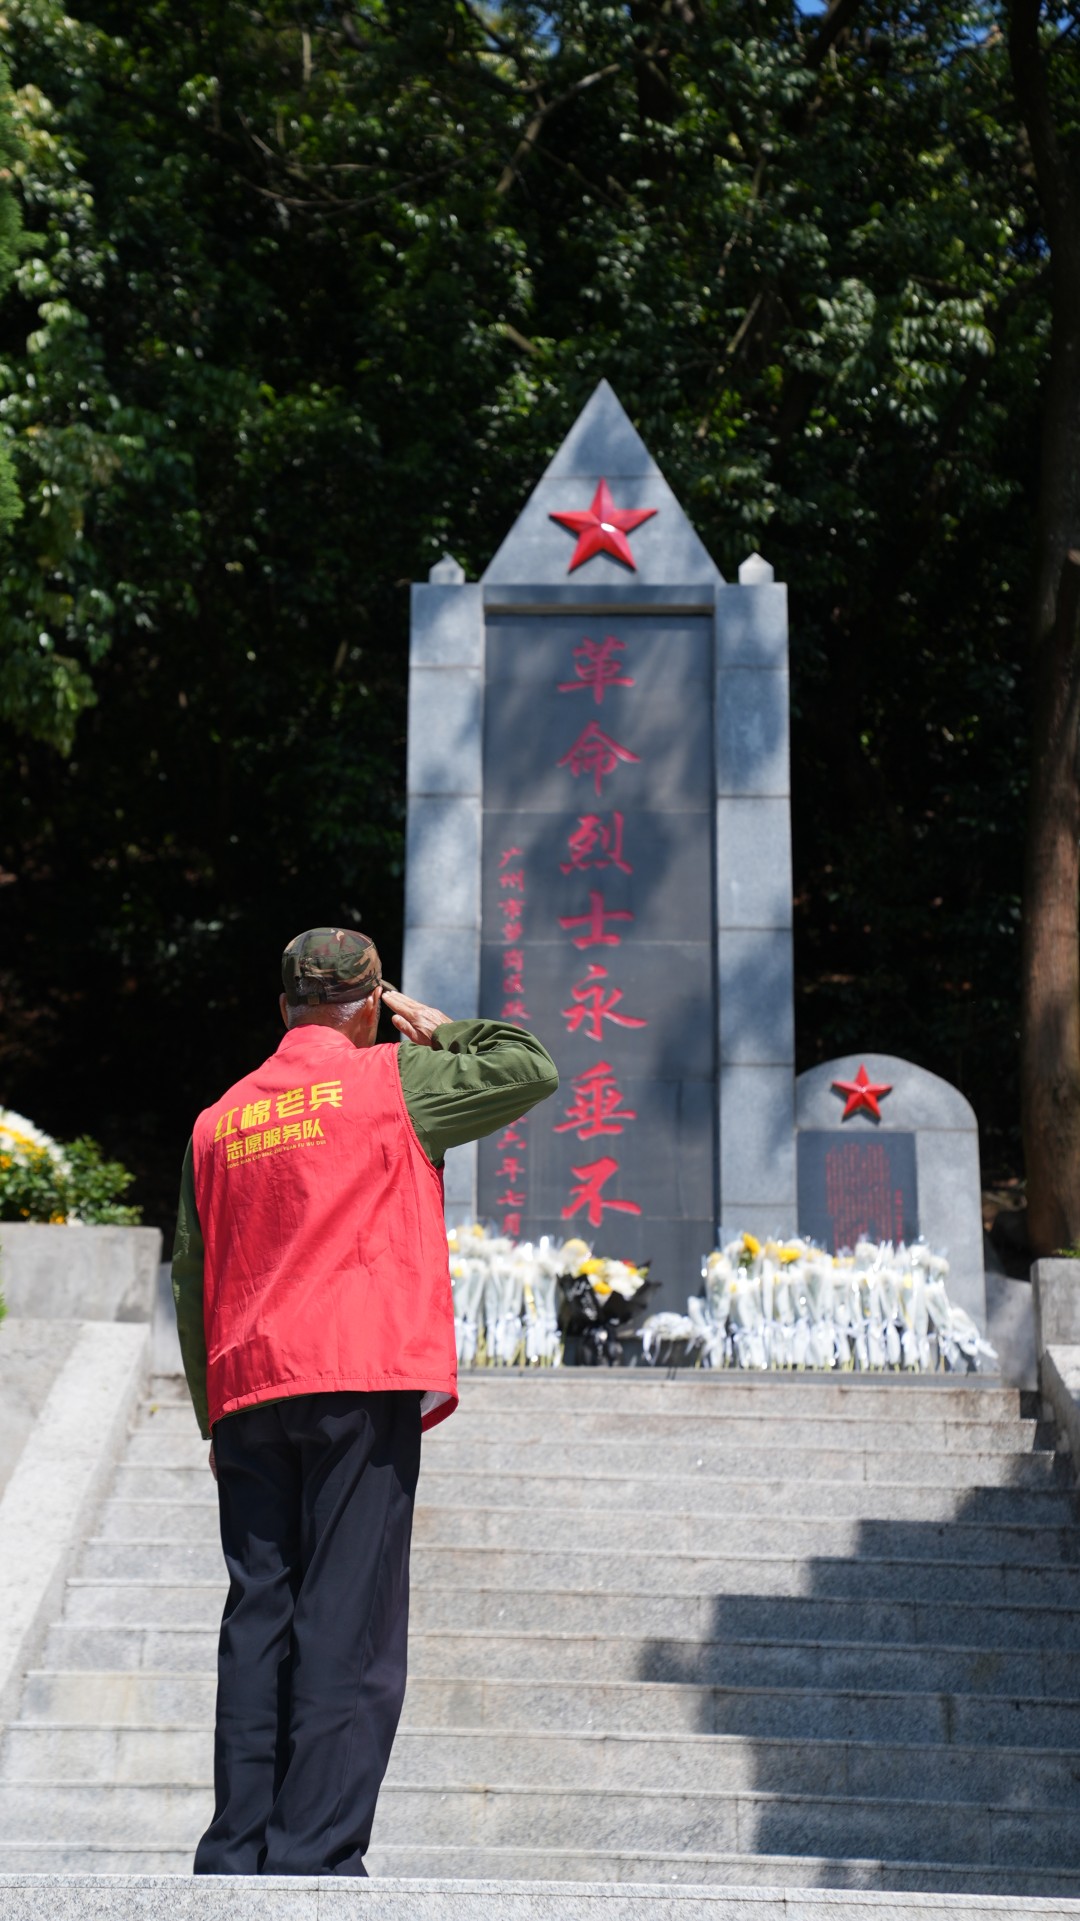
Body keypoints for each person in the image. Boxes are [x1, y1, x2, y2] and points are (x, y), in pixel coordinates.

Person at [171, 925, 558, 1877]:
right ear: (372, 1004)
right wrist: (435, 1024)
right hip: (357, 1374)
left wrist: (212, 1412)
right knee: (348, 1617)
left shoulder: (218, 1120)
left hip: (251, 1390)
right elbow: (529, 1066)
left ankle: (236, 1849)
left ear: (284, 1007)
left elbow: (191, 1273)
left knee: (258, 1617)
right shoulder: (395, 1077)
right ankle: (312, 1856)